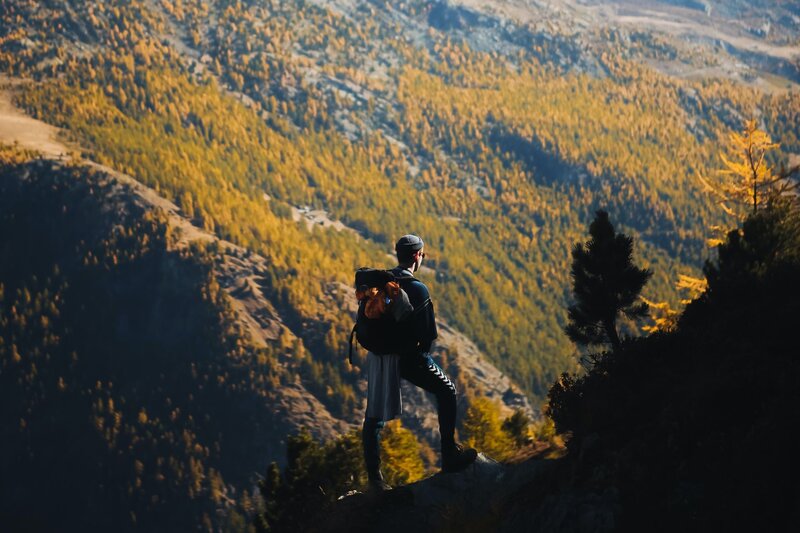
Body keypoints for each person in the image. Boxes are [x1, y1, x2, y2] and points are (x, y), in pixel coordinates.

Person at [362, 234, 477, 492]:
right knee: (446, 391)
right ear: (417, 256)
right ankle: (449, 456)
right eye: (422, 254)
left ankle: (375, 480)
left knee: (374, 417)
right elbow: (427, 336)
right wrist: (417, 358)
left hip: (380, 357)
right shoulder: (417, 289)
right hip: (408, 357)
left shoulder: (382, 283)